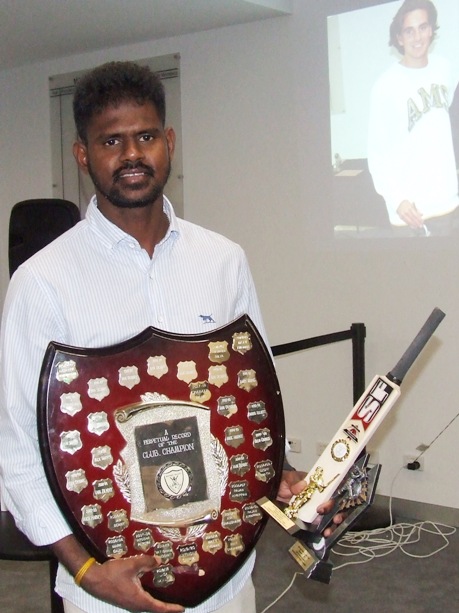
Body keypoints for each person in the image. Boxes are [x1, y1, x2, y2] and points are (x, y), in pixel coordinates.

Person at [0, 61, 341, 613]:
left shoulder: (223, 261)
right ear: (82, 155)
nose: (132, 154)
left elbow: (247, 401)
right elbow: (17, 448)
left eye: (146, 136)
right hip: (107, 584)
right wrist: (86, 573)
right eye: (111, 140)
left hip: (223, 575)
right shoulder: (43, 282)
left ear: (169, 141)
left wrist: (275, 474)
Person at [367, 0, 459, 236]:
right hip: (411, 215)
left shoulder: (445, 69)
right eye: (409, 31)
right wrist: (397, 200)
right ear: (399, 38)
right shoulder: (385, 86)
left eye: (423, 27)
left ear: (431, 30)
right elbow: (377, 155)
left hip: (448, 205)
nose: (417, 37)